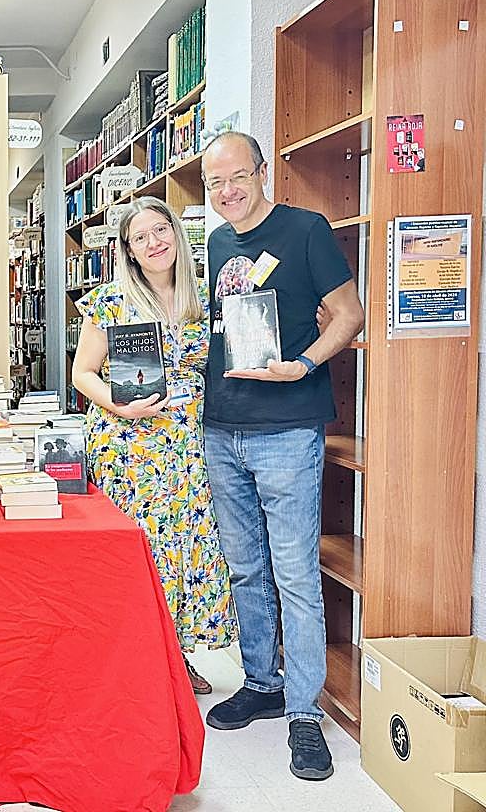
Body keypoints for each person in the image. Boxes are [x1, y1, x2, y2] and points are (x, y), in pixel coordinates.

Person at [199, 131, 364, 782]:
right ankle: (262, 683)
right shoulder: (214, 244)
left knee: (294, 574)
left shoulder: (306, 230)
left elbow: (348, 315)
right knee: (245, 569)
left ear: (263, 172)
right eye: (215, 183)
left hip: (288, 428)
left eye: (238, 176)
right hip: (222, 428)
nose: (227, 191)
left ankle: (303, 713)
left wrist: (301, 365)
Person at [72, 196, 237, 695]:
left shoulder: (205, 300)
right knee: (140, 551)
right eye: (141, 237)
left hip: (185, 445)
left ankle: (176, 658)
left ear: (176, 235)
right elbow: (83, 374)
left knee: (184, 548)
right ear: (128, 249)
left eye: (161, 230)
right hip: (128, 447)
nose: (154, 242)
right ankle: (133, 659)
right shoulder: (110, 301)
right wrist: (119, 406)